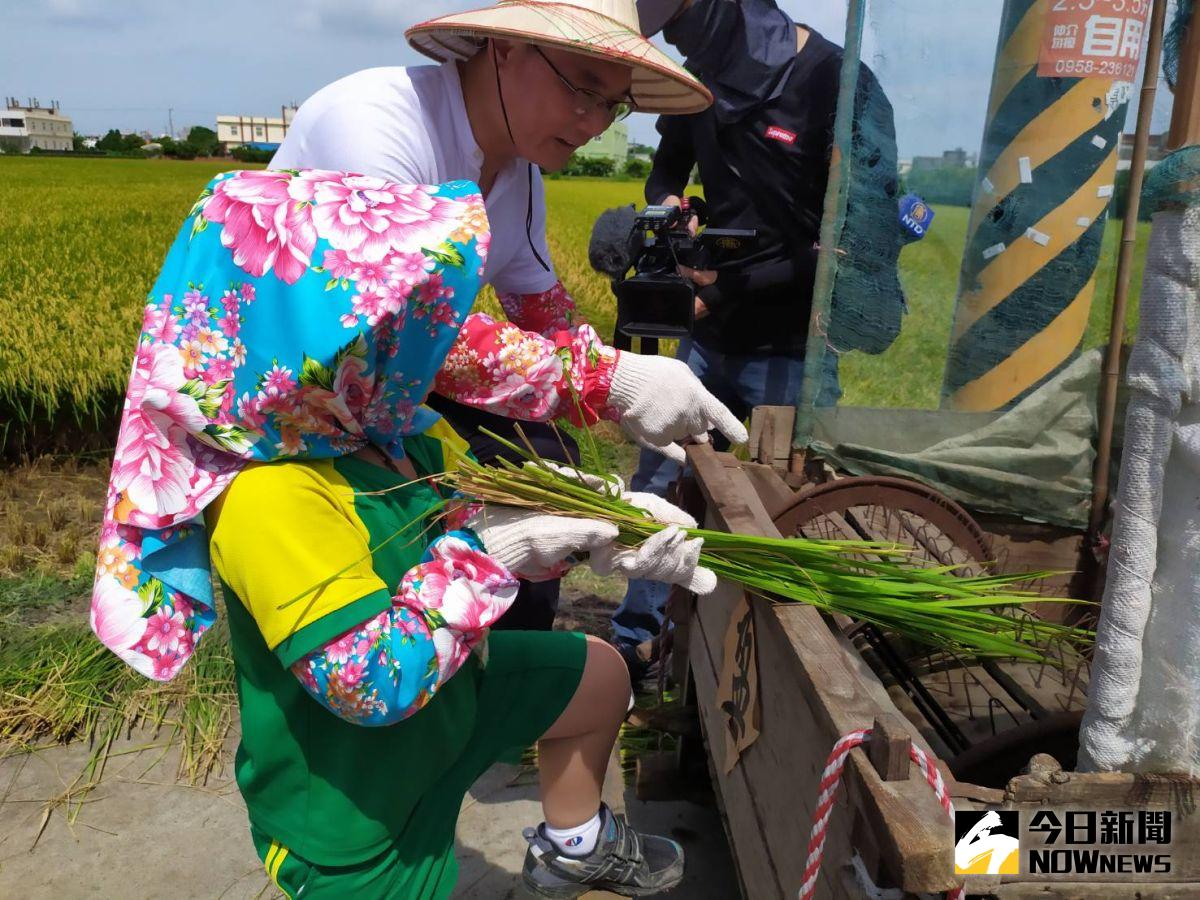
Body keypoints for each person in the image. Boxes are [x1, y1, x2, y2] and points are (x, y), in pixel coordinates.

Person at [91, 169, 717, 899]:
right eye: (386, 324)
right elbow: (370, 683)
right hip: (353, 817)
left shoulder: (399, 435)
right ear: (297, 340)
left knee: (599, 676)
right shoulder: (269, 497)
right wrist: (497, 551)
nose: (421, 343)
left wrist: (604, 521)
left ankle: (572, 848)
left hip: (447, 709)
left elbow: (481, 518)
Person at [270, 0, 746, 633]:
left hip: (387, 407)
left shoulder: (519, 177)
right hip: (290, 418)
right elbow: (402, 326)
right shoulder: (376, 124)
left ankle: (504, 670)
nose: (594, 122)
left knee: (549, 464)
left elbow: (543, 311)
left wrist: (616, 401)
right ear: (505, 49)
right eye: (583, 89)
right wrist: (609, 382)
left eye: (613, 104)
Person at [612, 0, 908, 678]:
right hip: (708, 334)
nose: (690, 51)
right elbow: (667, 169)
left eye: (690, 30)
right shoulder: (702, 80)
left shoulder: (835, 83)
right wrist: (670, 214)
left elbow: (853, 239)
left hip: (793, 347)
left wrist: (718, 290)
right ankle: (636, 645)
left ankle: (764, 661)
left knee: (781, 503)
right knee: (659, 483)